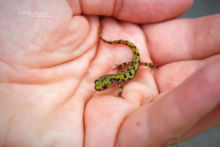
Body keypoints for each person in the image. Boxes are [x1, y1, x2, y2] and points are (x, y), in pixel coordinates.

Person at [0, 0, 219, 146]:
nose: (100, 85)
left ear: (107, 82)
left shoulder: (121, 80)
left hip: (135, 65)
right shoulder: (114, 80)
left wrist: (134, 79)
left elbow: (122, 83)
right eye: (100, 84)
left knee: (139, 64)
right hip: (128, 67)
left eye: (101, 84)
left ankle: (143, 63)